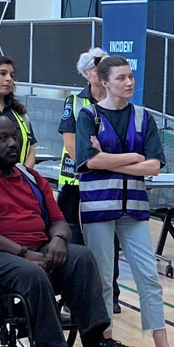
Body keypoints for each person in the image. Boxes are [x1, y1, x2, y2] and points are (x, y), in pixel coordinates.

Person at [0, 113, 134, 347]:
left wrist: (59, 240)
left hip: (33, 249)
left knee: (82, 257)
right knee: (31, 272)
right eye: (3, 138)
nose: (12, 143)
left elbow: (58, 220)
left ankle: (96, 342)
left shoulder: (30, 176)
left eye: (14, 137)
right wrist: (22, 253)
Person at [77, 56, 174, 347]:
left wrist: (110, 158)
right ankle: (105, 342)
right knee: (104, 279)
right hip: (98, 207)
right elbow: (90, 161)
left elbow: (154, 165)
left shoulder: (144, 117)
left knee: (149, 277)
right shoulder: (88, 115)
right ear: (104, 82)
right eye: (121, 78)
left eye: (130, 76)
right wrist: (133, 157)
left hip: (135, 209)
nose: (129, 82)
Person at [56, 46, 106, 236]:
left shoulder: (117, 101)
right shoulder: (75, 102)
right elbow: (70, 143)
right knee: (74, 234)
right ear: (86, 74)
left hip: (107, 179)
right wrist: (94, 166)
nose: (101, 71)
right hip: (76, 179)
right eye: (96, 68)